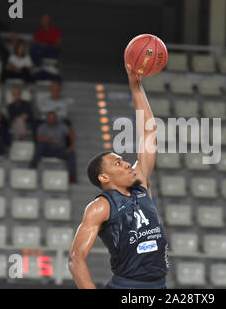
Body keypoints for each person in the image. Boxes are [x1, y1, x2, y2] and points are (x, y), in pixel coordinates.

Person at [68, 63, 168, 289]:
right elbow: (75, 259)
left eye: (123, 160)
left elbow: (149, 131)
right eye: (118, 162)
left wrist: (136, 87)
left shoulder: (140, 183)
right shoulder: (101, 207)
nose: (126, 163)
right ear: (104, 178)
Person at [29, 111, 77, 183]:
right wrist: (51, 140)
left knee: (71, 153)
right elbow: (39, 138)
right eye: (49, 118)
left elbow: (71, 133)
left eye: (53, 118)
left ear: (55, 118)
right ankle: (34, 164)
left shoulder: (62, 126)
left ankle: (72, 176)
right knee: (40, 145)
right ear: (47, 118)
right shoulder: (42, 126)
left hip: (59, 150)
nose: (51, 119)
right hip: (46, 150)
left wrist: (72, 145)